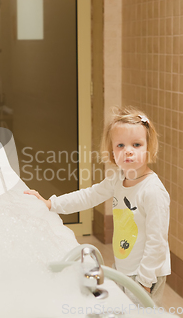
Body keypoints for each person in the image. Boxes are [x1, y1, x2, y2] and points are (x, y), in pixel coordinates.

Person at [24, 106, 170, 305]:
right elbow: (88, 196)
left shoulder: (152, 191)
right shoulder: (118, 179)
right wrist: (51, 204)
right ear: (112, 151)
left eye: (136, 144)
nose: (128, 151)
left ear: (149, 147)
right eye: (120, 145)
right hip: (124, 268)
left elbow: (157, 242)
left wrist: (144, 281)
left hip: (145, 274)